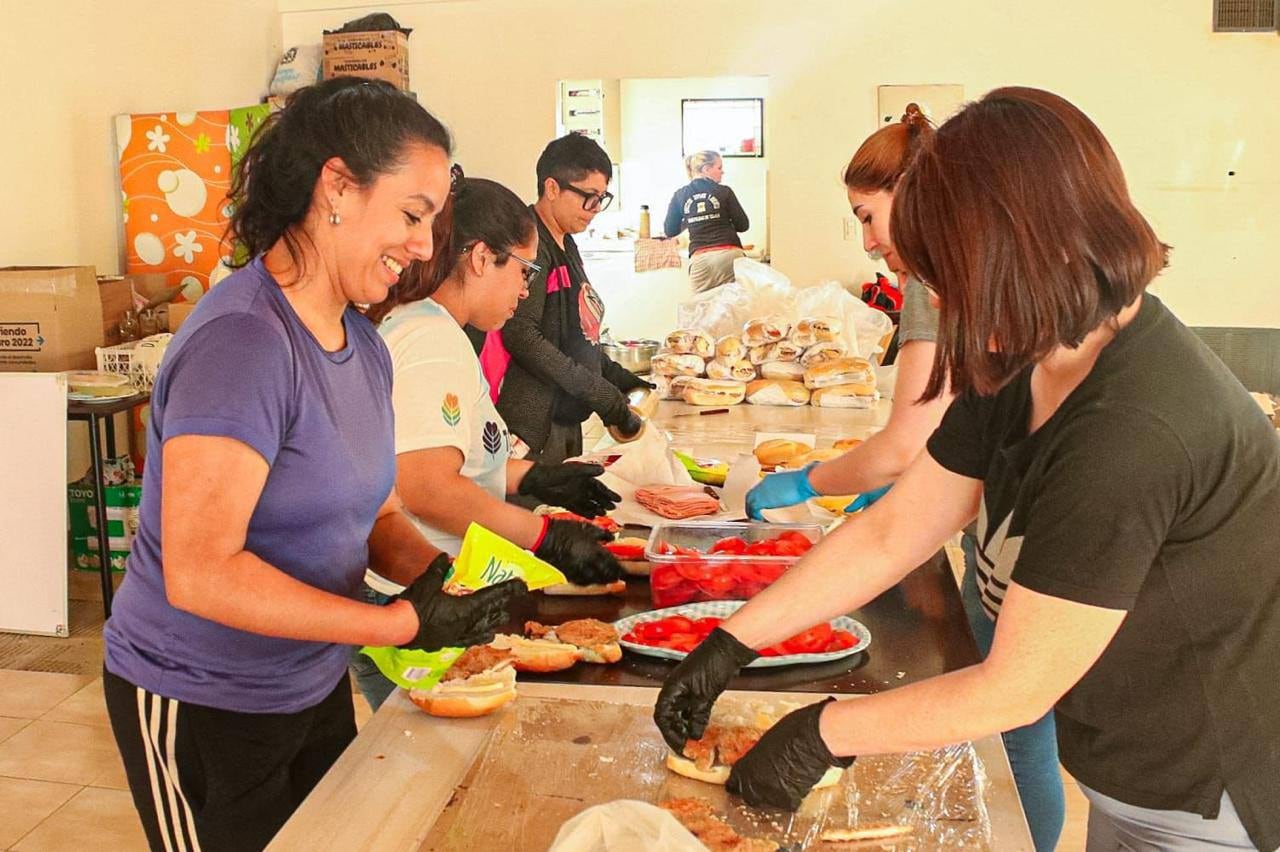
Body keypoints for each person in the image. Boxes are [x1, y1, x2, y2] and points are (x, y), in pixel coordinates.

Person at [655, 87, 1280, 852]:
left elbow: (1016, 686)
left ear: (1020, 245)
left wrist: (827, 732)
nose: (939, 295)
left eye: (950, 269)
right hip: (1129, 770)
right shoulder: (1029, 361)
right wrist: (732, 641)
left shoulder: (1133, 428)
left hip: (1209, 798)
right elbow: (895, 530)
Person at [100, 78, 526, 852]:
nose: (426, 247)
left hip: (309, 682)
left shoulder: (360, 342)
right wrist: (397, 620)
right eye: (411, 215)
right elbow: (201, 570)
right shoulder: (244, 344)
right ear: (336, 186)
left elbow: (379, 513)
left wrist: (439, 581)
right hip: (202, 700)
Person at [744, 104, 1065, 851]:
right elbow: (937, 456)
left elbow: (908, 437)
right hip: (1005, 545)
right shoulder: (971, 305)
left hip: (1028, 558)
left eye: (867, 215)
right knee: (1023, 735)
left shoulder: (932, 275)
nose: (869, 242)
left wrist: (810, 480)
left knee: (1016, 736)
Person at [351, 172, 625, 710]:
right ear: (480, 258)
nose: (524, 290)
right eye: (522, 269)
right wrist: (542, 535)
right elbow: (426, 486)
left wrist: (538, 478)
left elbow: (450, 458)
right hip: (420, 590)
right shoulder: (431, 339)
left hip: (426, 583)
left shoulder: (430, 326)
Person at [479, 134, 650, 466]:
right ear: (552, 188)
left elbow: (574, 335)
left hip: (566, 418)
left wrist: (615, 376)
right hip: (533, 427)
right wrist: (598, 392)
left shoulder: (566, 244)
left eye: (602, 198)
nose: (595, 209)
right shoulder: (531, 246)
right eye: (588, 197)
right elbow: (522, 336)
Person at [663, 150, 750, 292]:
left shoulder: (680, 195)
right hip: (729, 256)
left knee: (702, 309)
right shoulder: (725, 191)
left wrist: (691, 219)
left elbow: (670, 230)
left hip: (701, 258)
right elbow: (743, 225)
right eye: (719, 168)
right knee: (733, 308)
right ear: (706, 169)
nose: (723, 172)